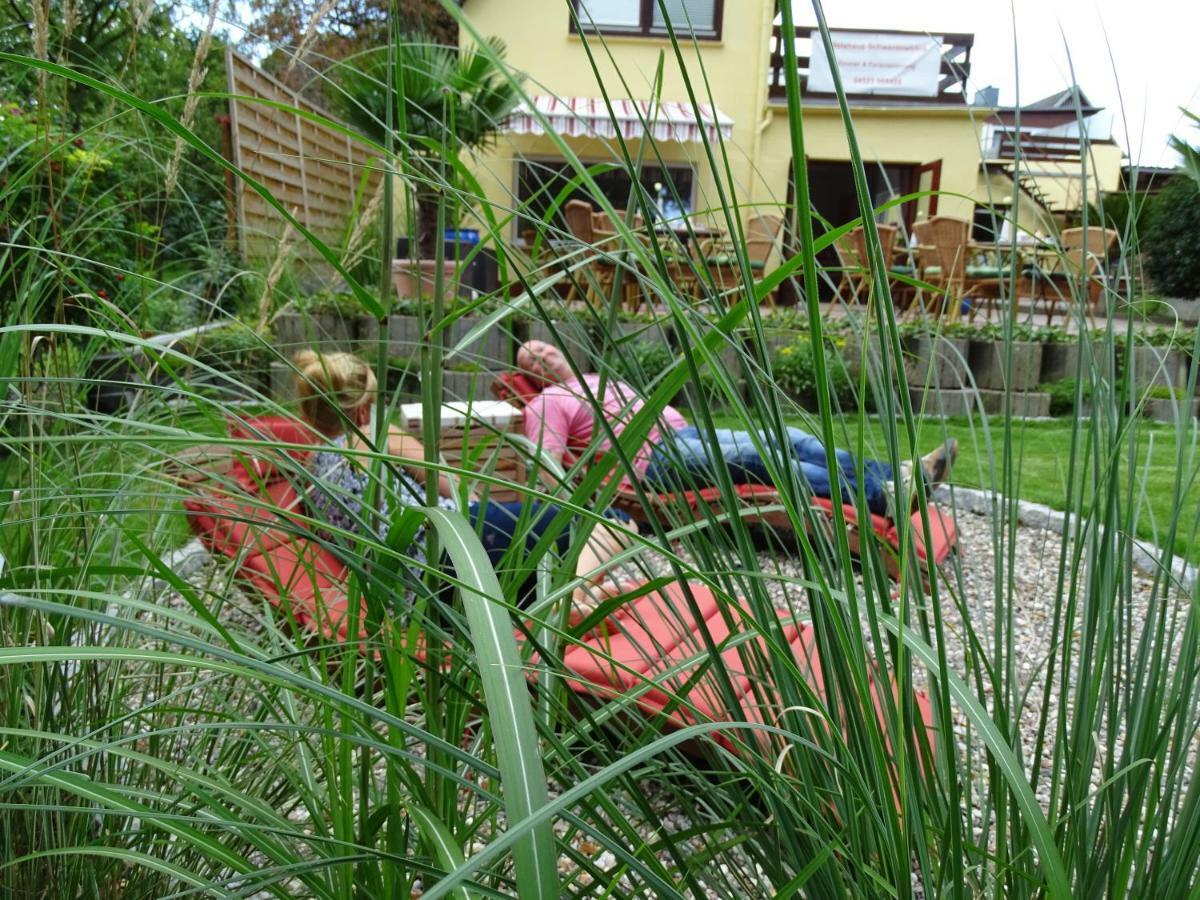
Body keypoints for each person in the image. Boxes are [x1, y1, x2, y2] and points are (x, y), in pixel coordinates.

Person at [293, 351, 634, 619]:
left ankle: (564, 592)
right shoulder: (375, 435)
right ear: (363, 410)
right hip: (458, 545)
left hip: (417, 595)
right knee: (612, 519)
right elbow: (454, 487)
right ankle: (574, 598)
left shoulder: (310, 472)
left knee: (538, 548)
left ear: (310, 414)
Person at [516, 340, 956, 518]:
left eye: (543, 347)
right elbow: (546, 461)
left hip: (683, 435)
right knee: (772, 462)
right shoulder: (546, 403)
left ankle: (895, 471)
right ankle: (879, 498)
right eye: (529, 359)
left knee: (789, 437)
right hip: (653, 462)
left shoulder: (594, 378)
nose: (540, 354)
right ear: (532, 376)